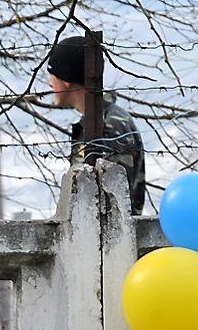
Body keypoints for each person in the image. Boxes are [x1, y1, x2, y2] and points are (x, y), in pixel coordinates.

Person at [47, 35, 146, 214]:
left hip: (111, 239)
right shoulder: (95, 122)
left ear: (65, 80)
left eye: (52, 76)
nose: (49, 83)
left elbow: (113, 205)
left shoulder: (108, 126)